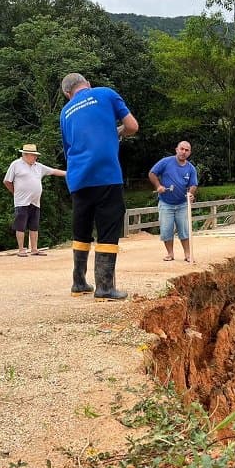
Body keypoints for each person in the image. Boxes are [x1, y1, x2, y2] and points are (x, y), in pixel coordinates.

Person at [59, 73, 138, 300]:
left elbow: (69, 149)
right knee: (108, 229)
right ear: (88, 84)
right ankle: (104, 287)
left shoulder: (65, 112)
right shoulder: (105, 93)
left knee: (81, 229)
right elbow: (132, 126)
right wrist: (118, 132)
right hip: (105, 174)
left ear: (68, 94)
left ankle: (79, 282)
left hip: (78, 177)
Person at [3, 144, 66, 257]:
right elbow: (7, 181)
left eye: (35, 155)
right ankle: (21, 249)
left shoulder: (38, 166)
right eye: (33, 155)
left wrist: (68, 173)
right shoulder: (16, 165)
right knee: (20, 225)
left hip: (35, 201)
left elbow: (53, 171)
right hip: (21, 201)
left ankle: (34, 249)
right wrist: (15, 192)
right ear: (25, 155)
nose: (35, 157)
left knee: (34, 225)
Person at [148, 141, 198, 262]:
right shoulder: (166, 162)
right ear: (176, 149)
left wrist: (191, 194)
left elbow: (193, 184)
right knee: (166, 229)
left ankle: (187, 254)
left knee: (185, 230)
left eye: (186, 150)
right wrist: (158, 186)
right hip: (166, 203)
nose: (183, 152)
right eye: (182, 149)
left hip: (182, 203)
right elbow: (152, 173)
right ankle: (170, 254)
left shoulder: (191, 168)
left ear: (189, 153)